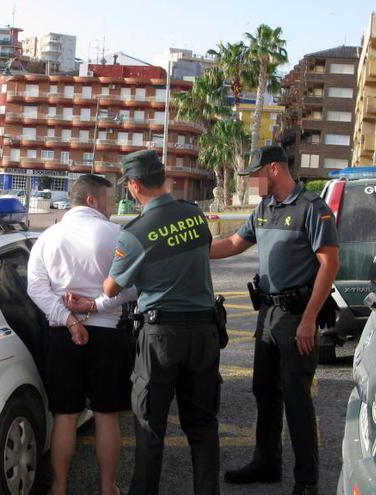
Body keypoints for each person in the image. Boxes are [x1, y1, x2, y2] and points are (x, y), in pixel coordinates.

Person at [211, 145, 340, 495]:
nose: (251, 184)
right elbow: (236, 243)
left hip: (298, 314)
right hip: (267, 313)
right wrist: (192, 248)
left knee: (297, 396)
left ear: (272, 170)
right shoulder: (264, 208)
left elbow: (329, 264)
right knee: (264, 390)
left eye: (253, 176)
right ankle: (266, 462)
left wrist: (310, 318)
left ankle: (307, 480)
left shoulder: (311, 208)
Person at [103, 150, 221, 495]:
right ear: (163, 177)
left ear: (135, 185)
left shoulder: (135, 232)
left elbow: (111, 288)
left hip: (160, 337)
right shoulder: (194, 215)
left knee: (150, 427)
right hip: (204, 332)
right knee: (202, 426)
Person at [27, 174, 137, 495]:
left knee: (65, 415)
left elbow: (36, 288)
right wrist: (96, 305)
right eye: (110, 198)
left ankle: (59, 488)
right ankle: (107, 488)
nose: (114, 205)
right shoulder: (117, 234)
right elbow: (133, 288)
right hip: (108, 336)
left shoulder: (48, 237)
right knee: (106, 416)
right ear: (92, 199)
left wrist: (69, 319)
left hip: (63, 337)